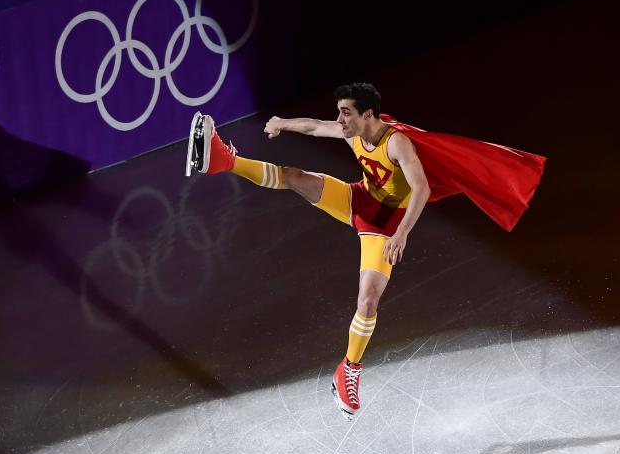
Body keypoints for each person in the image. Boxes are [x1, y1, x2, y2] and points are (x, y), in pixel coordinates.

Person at [185, 82, 545, 420]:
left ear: (368, 116)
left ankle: (348, 371)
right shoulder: (352, 132)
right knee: (295, 178)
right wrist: (282, 122)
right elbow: (313, 127)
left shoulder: (397, 144)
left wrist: (402, 234)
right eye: (339, 112)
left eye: (346, 113)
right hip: (358, 199)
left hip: (386, 225)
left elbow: (419, 189)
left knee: (368, 301)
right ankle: (222, 161)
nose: (340, 120)